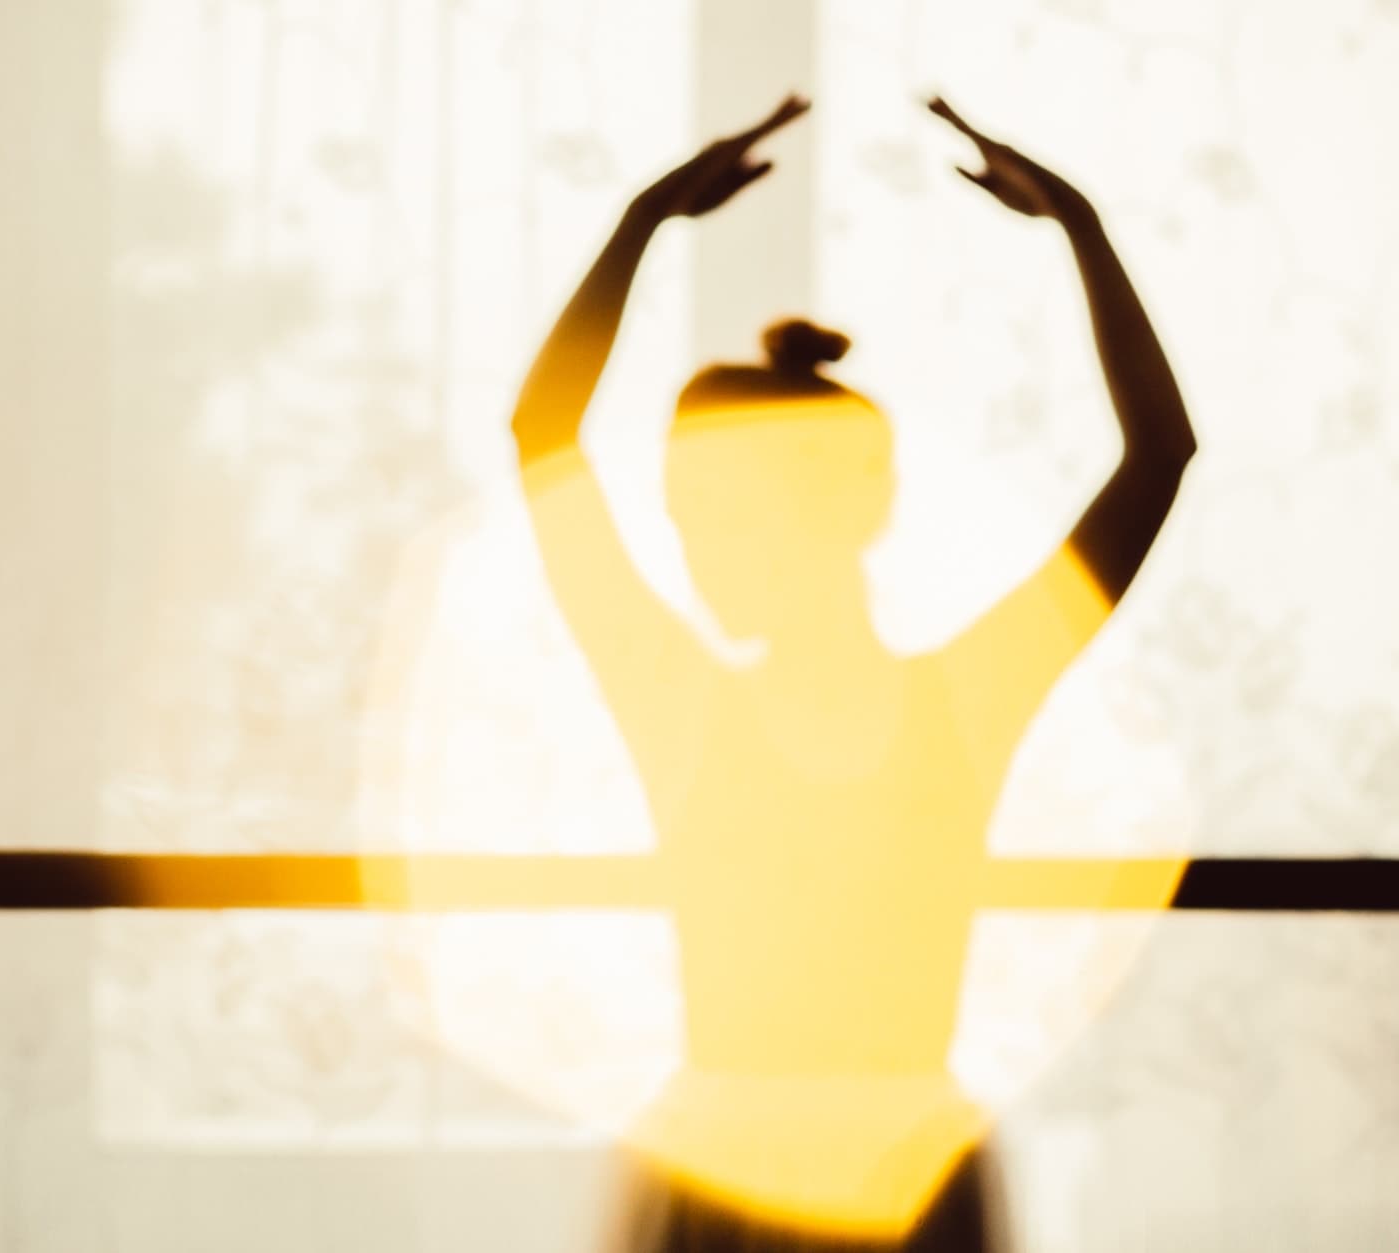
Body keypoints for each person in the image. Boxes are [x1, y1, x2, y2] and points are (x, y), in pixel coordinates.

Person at [508, 93, 1196, 1253]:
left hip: (817, 1183)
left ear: (824, 513)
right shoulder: (952, 697)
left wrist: (647, 222)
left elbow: (543, 438)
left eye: (709, 516)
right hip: (837, 1181)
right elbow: (1158, 456)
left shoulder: (692, 703)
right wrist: (1074, 224)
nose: (684, 546)